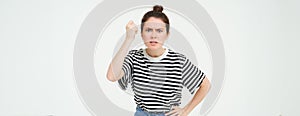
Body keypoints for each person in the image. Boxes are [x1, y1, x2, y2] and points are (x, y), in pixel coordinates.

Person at [106, 5, 210, 116]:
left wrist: (186, 110)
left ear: (167, 34)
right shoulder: (134, 58)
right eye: (148, 30)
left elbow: (205, 85)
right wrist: (129, 38)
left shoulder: (178, 61)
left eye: (159, 31)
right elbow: (112, 76)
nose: (153, 35)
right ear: (141, 34)